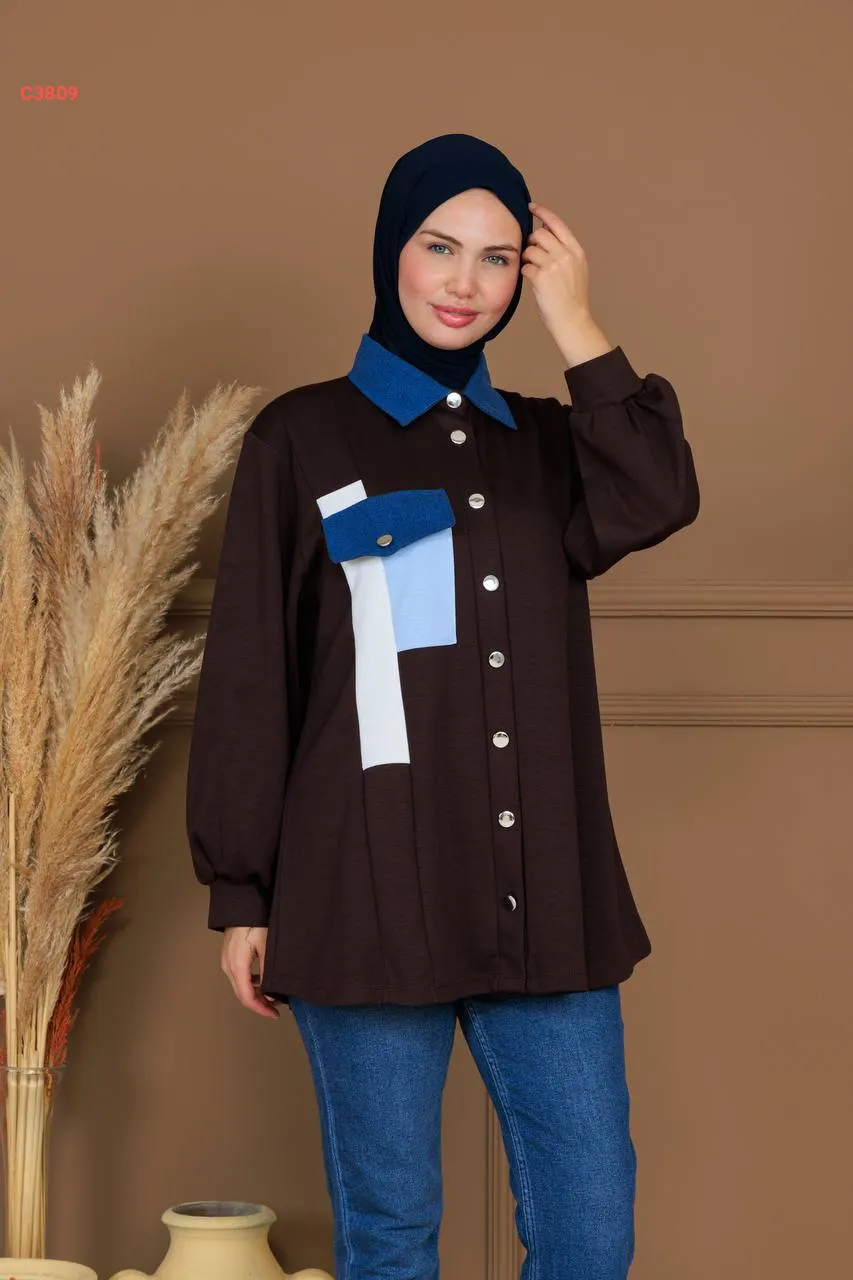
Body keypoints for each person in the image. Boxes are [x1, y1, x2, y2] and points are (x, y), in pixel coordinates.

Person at [185, 132, 700, 1279]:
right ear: (390, 249)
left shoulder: (553, 445)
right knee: (391, 1235)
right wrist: (241, 890)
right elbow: (254, 673)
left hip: (545, 894)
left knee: (589, 1226)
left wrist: (578, 322)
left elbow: (661, 493)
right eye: (439, 246)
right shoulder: (300, 435)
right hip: (362, 888)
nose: (465, 282)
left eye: (499, 258)